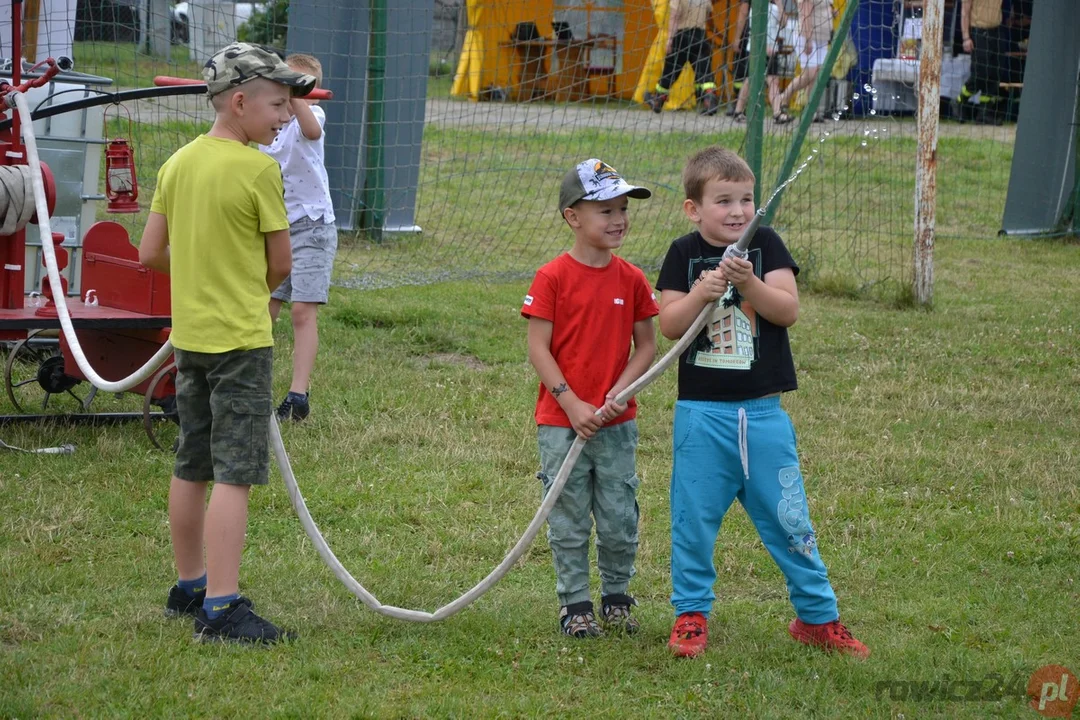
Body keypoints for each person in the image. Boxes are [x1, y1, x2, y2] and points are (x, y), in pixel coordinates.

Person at [654, 146, 868, 659]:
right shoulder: (682, 254)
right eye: (723, 200)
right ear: (693, 208)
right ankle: (690, 615)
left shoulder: (766, 246)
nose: (737, 211)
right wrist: (700, 293)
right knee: (693, 520)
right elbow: (669, 325)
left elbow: (787, 310)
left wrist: (748, 281)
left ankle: (817, 618)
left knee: (791, 520)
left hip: (765, 417)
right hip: (701, 418)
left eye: (746, 199)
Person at [139, 42, 316, 644]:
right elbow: (280, 262)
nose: (286, 116)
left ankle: (188, 584)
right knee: (233, 474)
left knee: (192, 462)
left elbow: (149, 253)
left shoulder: (177, 164)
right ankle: (221, 607)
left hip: (190, 340)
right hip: (241, 341)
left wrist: (199, 278)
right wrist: (241, 289)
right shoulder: (259, 169)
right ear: (239, 102)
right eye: (277, 104)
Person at [521, 159, 659, 637]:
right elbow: (538, 347)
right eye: (605, 209)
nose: (618, 218)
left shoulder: (633, 279)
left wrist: (621, 391)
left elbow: (647, 346)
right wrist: (571, 403)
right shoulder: (552, 277)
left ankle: (618, 598)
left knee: (620, 515)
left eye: (622, 208)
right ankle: (575, 605)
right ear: (572, 217)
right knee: (569, 515)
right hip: (563, 424)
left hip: (616, 424)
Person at [258, 52, 338, 422]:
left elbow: (312, 131)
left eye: (302, 86)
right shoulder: (269, 123)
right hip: (276, 226)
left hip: (312, 226)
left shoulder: (311, 115)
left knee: (303, 312)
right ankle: (252, 383)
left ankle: (298, 394)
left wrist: (299, 97)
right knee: (264, 308)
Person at [646, 0, 720, 115]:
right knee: (704, 71)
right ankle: (710, 100)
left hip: (682, 36)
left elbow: (674, 16)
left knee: (670, 70)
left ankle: (658, 100)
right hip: (700, 35)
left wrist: (670, 39)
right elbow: (708, 16)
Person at [958, 0, 1024, 124]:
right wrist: (966, 37)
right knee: (980, 73)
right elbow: (964, 12)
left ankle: (984, 113)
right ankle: (960, 100)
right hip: (979, 30)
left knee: (995, 73)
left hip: (997, 31)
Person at [771, 0, 833, 124]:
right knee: (809, 74)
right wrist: (808, 40)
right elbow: (805, 15)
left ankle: (811, 111)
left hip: (822, 37)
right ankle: (784, 97)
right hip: (806, 37)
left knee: (817, 76)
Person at [732, 0, 785, 123]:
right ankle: (776, 112)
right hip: (758, 48)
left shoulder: (775, 5)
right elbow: (753, 27)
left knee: (766, 80)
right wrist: (737, 39)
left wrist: (780, 4)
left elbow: (783, 23)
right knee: (755, 79)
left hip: (771, 49)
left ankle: (739, 111)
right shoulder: (756, 6)